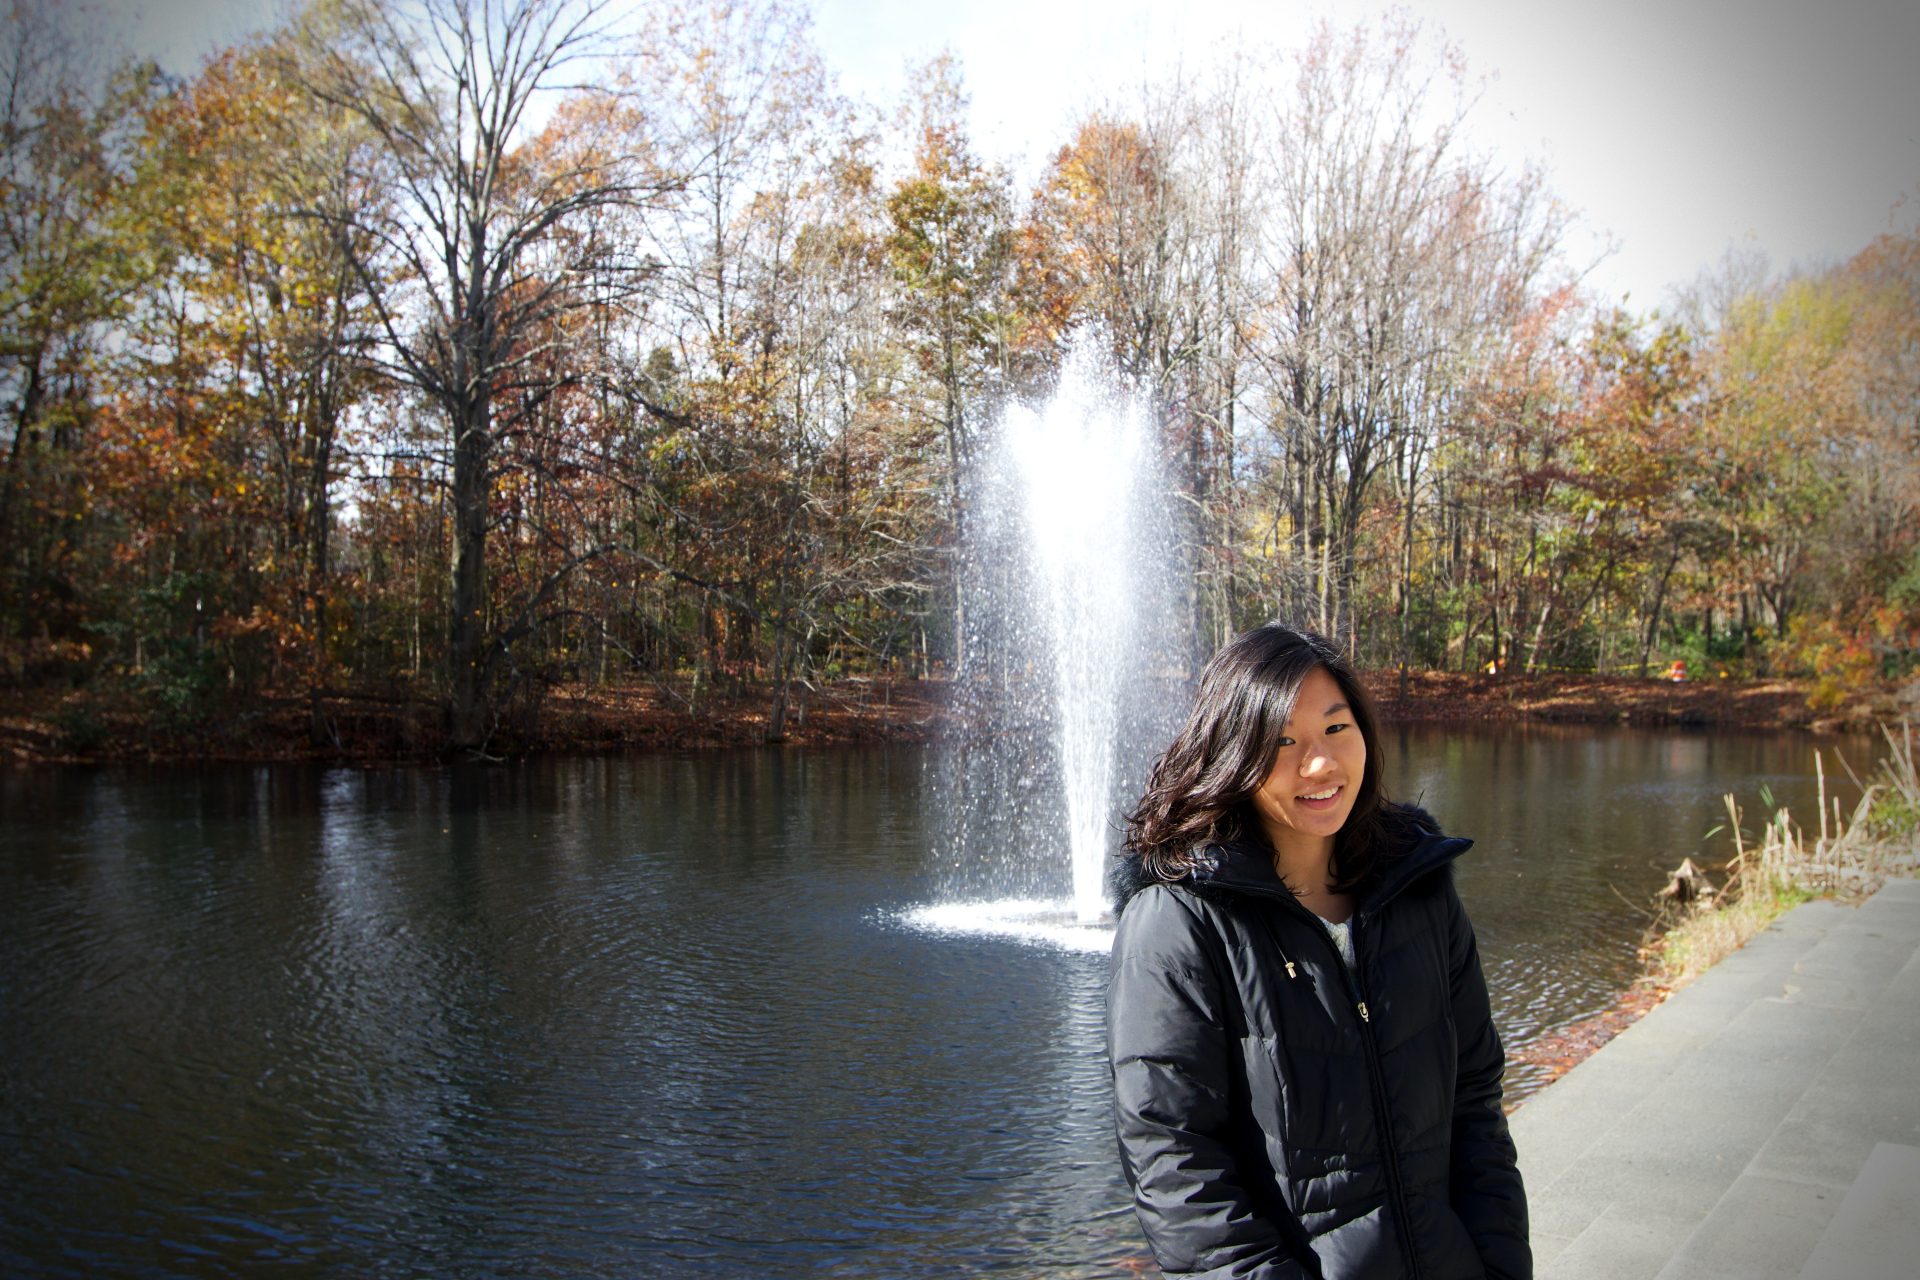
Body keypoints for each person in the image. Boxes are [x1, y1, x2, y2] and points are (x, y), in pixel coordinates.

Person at [1107, 623, 1530, 1279]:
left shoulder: (1417, 891)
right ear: (1233, 755)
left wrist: (1500, 1265)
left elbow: (1475, 1103)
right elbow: (1176, 1162)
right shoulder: (1180, 922)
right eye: (1283, 742)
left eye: (1337, 729)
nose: (1321, 763)